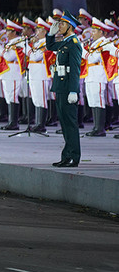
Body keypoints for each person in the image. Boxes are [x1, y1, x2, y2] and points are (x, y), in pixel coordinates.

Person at [45, 11, 84, 167]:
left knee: (70, 124)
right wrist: (50, 34)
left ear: (70, 27)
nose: (59, 26)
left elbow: (75, 70)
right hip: (61, 87)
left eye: (62, 24)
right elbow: (50, 46)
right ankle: (66, 156)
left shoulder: (74, 44)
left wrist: (74, 90)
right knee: (64, 124)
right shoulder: (65, 42)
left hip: (68, 88)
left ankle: (74, 156)